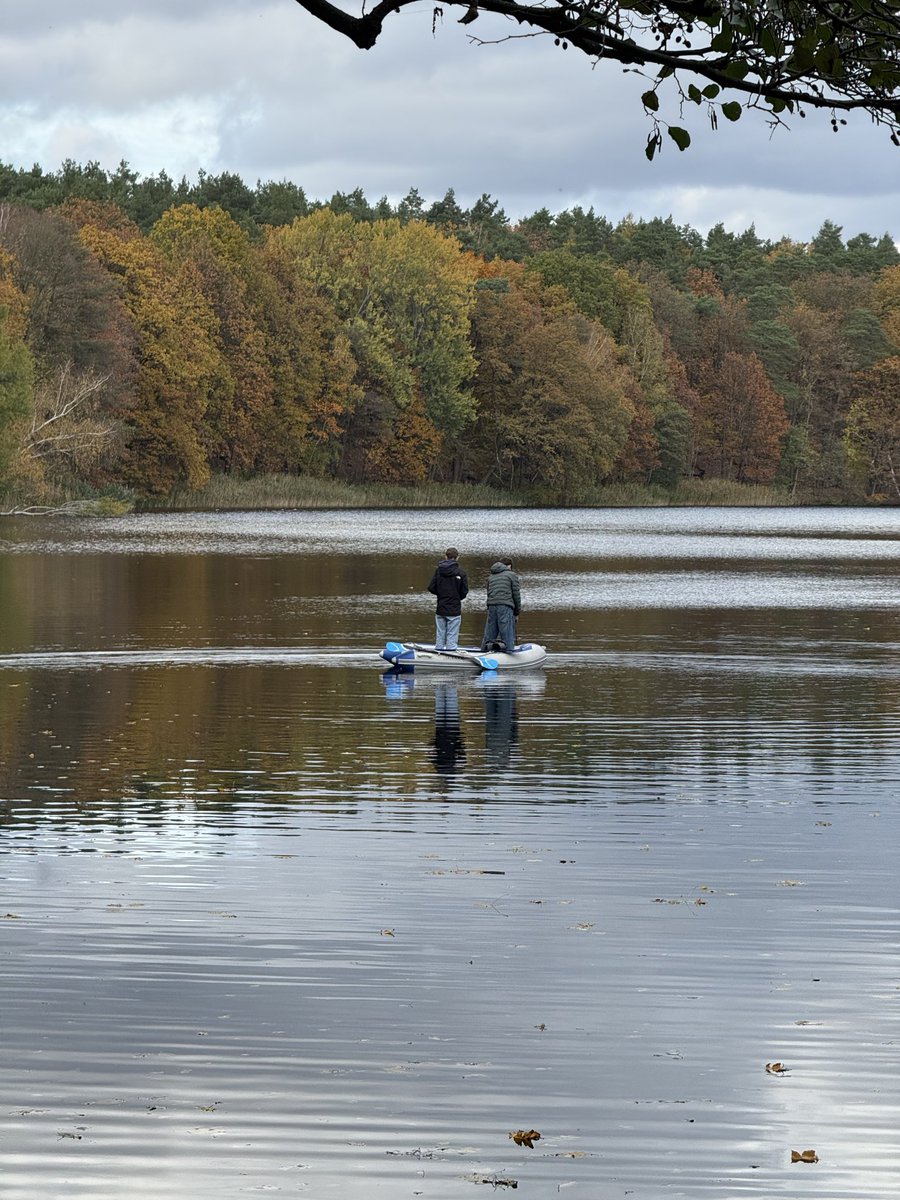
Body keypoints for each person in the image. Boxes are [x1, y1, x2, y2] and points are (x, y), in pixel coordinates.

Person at [427, 547, 469, 651]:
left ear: (445, 556)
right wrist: (456, 597)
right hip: (454, 608)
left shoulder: (438, 571)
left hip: (441, 607)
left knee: (440, 633)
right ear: (457, 558)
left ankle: (439, 651)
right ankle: (451, 652)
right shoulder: (461, 573)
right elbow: (464, 592)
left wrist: (441, 594)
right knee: (452, 634)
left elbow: (431, 587)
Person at [481, 558, 521, 653]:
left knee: (490, 632)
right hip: (505, 606)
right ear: (510, 566)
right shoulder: (512, 575)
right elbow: (516, 595)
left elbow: (489, 592)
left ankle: (484, 651)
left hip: (491, 605)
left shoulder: (491, 576)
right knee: (507, 632)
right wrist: (517, 612)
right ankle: (509, 652)